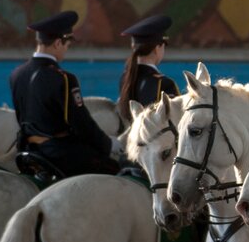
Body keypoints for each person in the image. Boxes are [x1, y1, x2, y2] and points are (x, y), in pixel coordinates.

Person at [9, 11, 120, 177]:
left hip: (28, 151)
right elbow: (81, 123)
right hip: (59, 154)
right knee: (117, 170)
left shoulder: (17, 74)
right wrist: (108, 145)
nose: (66, 51)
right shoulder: (64, 78)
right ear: (58, 43)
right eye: (67, 45)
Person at [117, 14, 179, 121]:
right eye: (164, 46)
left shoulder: (125, 78)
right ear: (157, 48)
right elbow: (179, 123)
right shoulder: (164, 83)